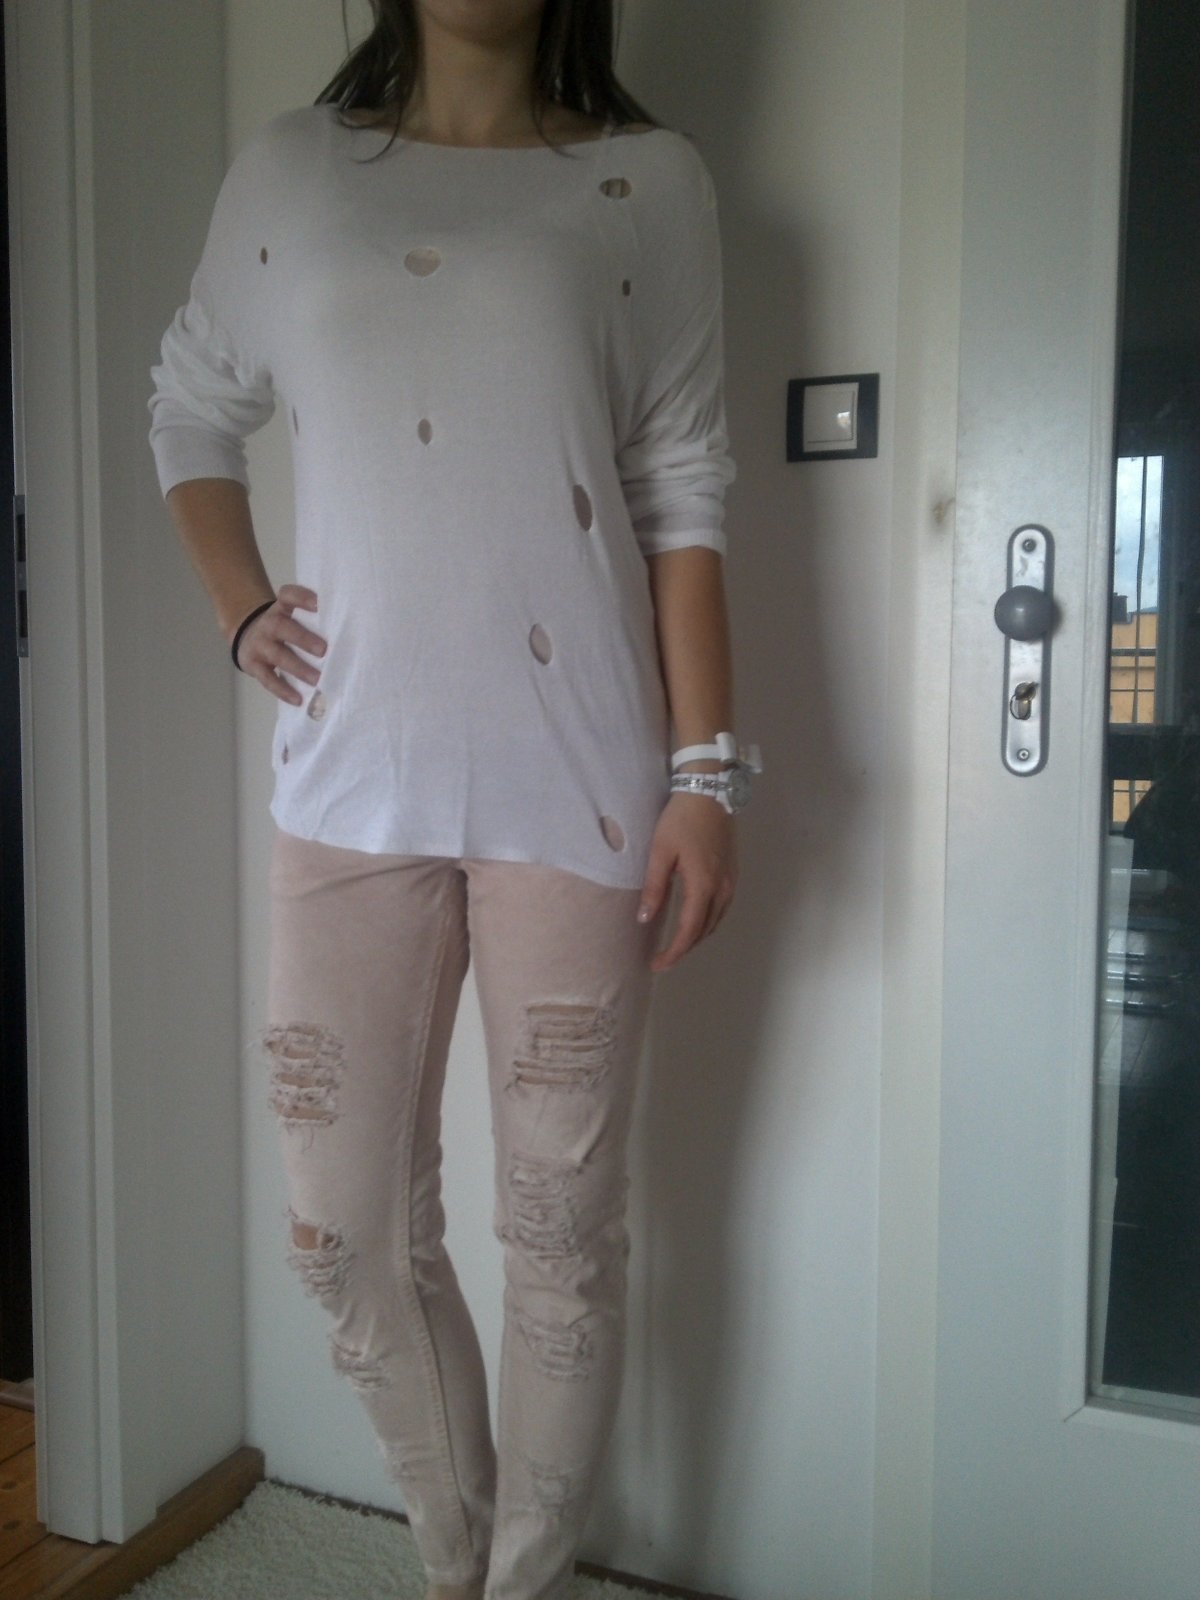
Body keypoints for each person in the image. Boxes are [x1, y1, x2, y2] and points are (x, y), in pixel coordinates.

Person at [146, 3, 761, 1596]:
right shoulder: (294, 173)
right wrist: (240, 607)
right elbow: (191, 402)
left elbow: (681, 486)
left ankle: (525, 1587)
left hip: (583, 785)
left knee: (560, 1234)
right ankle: (456, 1561)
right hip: (348, 788)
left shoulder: (649, 181)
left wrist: (708, 773)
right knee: (341, 1232)